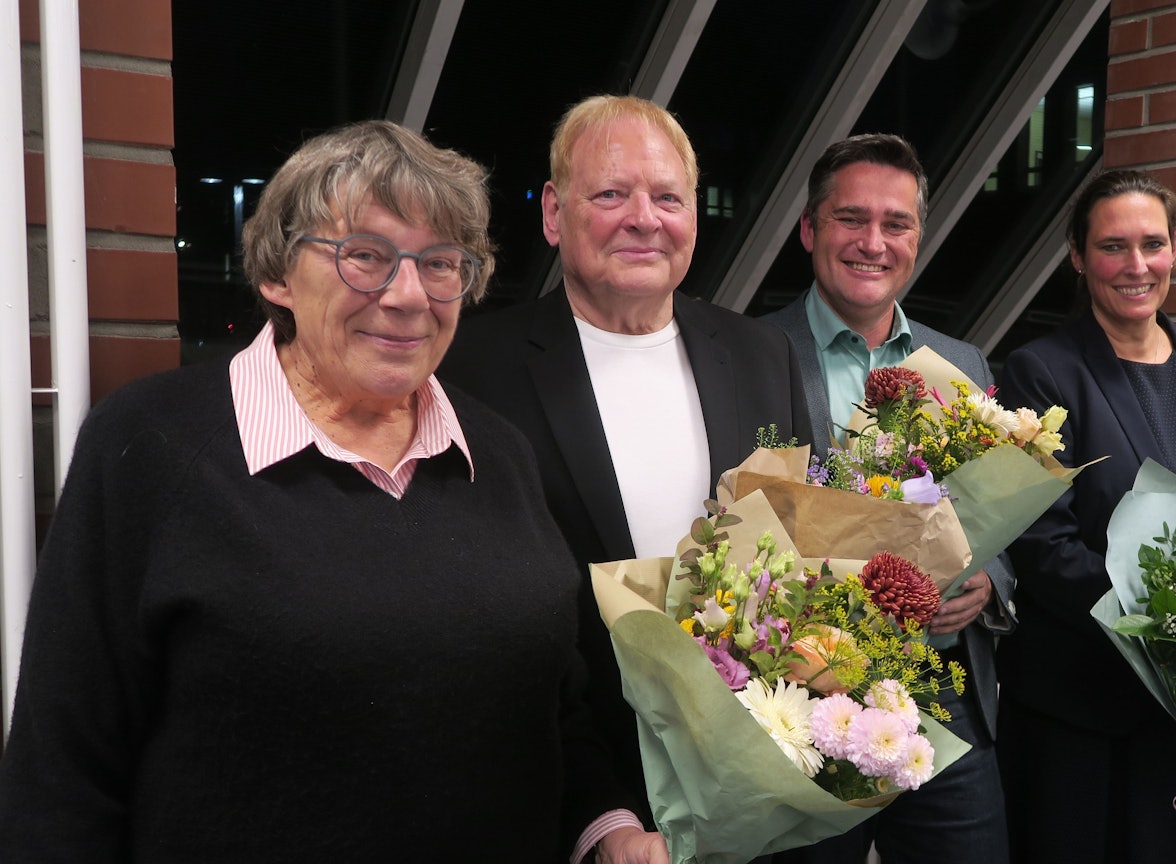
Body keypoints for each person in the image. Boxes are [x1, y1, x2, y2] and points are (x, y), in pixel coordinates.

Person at [0, 120, 665, 864]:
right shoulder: (151, 447)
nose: (408, 296)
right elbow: (62, 772)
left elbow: (551, 704)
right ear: (277, 276)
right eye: (366, 257)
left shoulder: (497, 453)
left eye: (440, 263)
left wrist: (607, 826)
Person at [437, 95, 813, 815]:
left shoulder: (762, 355)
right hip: (562, 782)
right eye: (611, 194)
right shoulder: (471, 370)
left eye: (668, 197)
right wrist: (598, 811)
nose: (644, 218)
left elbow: (800, 548)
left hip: (750, 773)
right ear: (554, 213)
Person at [760, 133, 1013, 864]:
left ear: (916, 240)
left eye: (895, 224)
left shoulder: (959, 361)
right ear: (809, 229)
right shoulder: (749, 352)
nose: (873, 242)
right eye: (851, 218)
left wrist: (992, 581)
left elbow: (1000, 511)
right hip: (808, 703)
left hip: (945, 697)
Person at [995, 169, 1176, 863]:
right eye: (1112, 247)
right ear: (1078, 258)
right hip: (1081, 709)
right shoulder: (1040, 371)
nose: (1136, 266)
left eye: (1152, 244)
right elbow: (1043, 546)